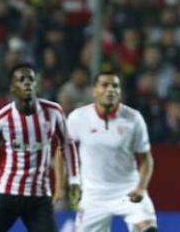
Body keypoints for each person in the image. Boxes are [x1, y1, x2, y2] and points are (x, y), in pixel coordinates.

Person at [0, 63, 80, 232]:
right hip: (5, 194)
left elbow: (67, 144)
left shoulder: (54, 112)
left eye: (30, 79)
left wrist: (74, 180)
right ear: (12, 88)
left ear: (36, 84)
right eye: (21, 80)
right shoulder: (0, 119)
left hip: (39, 198)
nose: (27, 83)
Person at [54, 71, 157, 232]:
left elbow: (146, 159)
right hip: (93, 194)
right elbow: (62, 152)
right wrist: (60, 186)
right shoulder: (78, 118)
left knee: (147, 228)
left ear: (120, 92)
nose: (110, 90)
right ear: (94, 90)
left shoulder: (133, 118)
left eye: (115, 86)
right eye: (105, 85)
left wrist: (141, 188)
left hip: (128, 189)